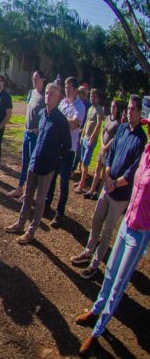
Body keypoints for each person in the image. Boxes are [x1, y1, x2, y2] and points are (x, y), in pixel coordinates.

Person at [74, 137, 150, 357]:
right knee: (109, 273)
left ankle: (97, 333)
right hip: (127, 224)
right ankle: (96, 310)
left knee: (118, 284)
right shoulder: (145, 153)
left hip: (140, 233)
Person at [70, 95, 147, 279]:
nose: (129, 112)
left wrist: (116, 182)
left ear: (139, 112)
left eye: (133, 109)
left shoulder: (141, 139)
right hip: (108, 186)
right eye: (128, 108)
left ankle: (95, 264)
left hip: (120, 195)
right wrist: (109, 176)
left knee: (107, 231)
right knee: (96, 220)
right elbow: (111, 154)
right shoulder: (121, 129)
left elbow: (133, 169)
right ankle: (87, 252)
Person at [5, 82, 71, 243]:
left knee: (40, 201)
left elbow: (67, 145)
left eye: (52, 94)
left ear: (59, 97)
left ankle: (31, 231)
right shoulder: (42, 113)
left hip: (48, 166)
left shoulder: (61, 120)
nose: (48, 96)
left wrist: (55, 159)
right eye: (47, 93)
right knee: (27, 196)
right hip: (35, 162)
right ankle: (20, 224)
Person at [45, 76, 86, 227]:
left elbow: (74, 124)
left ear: (75, 90)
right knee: (51, 177)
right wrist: (63, 119)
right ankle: (46, 205)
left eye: (69, 87)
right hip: (57, 146)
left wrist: (61, 119)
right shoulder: (62, 103)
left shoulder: (80, 106)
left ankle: (59, 213)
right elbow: (58, 117)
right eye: (66, 87)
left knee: (63, 183)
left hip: (69, 150)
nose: (66, 89)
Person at [7, 71, 46, 200]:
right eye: (33, 78)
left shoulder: (45, 96)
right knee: (24, 162)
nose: (34, 80)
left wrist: (39, 130)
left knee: (32, 164)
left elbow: (46, 117)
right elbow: (29, 112)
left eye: (36, 78)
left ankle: (29, 193)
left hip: (36, 135)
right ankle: (19, 188)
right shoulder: (31, 93)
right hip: (26, 132)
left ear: (43, 79)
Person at [83, 100, 124, 200]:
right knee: (97, 170)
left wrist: (106, 147)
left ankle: (99, 194)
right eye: (111, 106)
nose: (112, 108)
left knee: (104, 174)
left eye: (114, 107)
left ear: (117, 109)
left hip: (109, 151)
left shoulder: (118, 123)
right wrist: (102, 144)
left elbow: (115, 138)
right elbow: (103, 131)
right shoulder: (108, 119)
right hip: (102, 149)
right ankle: (91, 190)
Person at [74, 89, 104, 193]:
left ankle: (81, 185)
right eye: (91, 96)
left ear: (97, 98)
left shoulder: (99, 109)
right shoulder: (90, 108)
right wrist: (82, 135)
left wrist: (92, 137)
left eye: (94, 96)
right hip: (84, 138)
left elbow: (99, 124)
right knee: (82, 160)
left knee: (86, 162)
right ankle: (82, 180)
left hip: (91, 140)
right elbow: (86, 122)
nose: (92, 98)